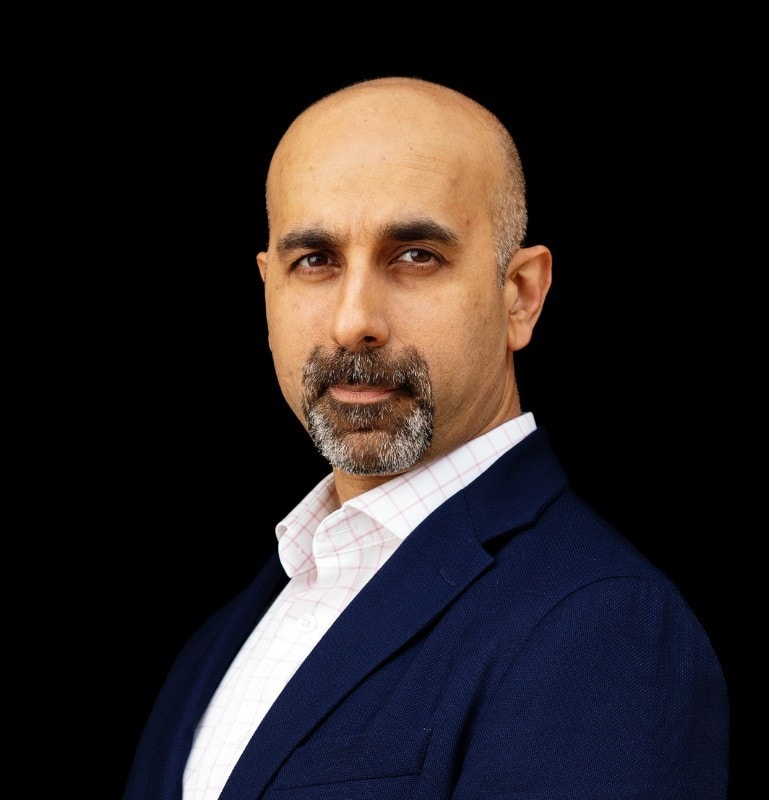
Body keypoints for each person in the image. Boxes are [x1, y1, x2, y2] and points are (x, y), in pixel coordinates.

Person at [122, 76, 729, 799]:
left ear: (521, 296)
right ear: (267, 287)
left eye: (414, 255)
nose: (354, 321)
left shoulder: (603, 627)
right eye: (314, 260)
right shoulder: (230, 636)